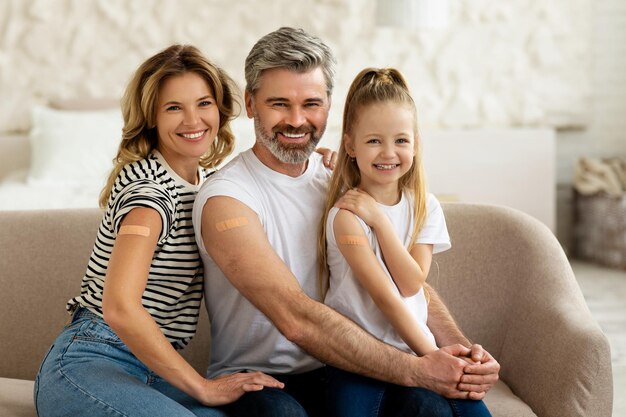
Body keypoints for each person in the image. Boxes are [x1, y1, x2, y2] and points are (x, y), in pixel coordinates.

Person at [193, 27, 500, 417]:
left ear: (330, 105)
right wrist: (418, 368)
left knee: (430, 409)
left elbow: (403, 283)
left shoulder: (343, 182)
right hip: (261, 380)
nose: (297, 120)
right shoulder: (228, 199)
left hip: (349, 366)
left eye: (311, 104)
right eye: (279, 104)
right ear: (251, 104)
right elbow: (297, 321)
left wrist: (460, 353)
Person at [34, 44, 285, 417]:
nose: (192, 120)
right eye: (173, 108)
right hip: (92, 359)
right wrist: (202, 387)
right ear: (151, 116)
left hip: (149, 371)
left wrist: (323, 161)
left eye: (203, 103)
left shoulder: (207, 184)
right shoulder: (150, 197)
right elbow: (119, 306)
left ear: (220, 108)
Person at [319, 67, 492, 417]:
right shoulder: (346, 216)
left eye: (400, 140)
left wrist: (381, 222)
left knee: (470, 410)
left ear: (415, 143)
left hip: (412, 349)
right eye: (373, 141)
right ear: (350, 145)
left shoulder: (425, 206)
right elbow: (388, 299)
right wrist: (434, 359)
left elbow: (412, 283)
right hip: (356, 358)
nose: (388, 153)